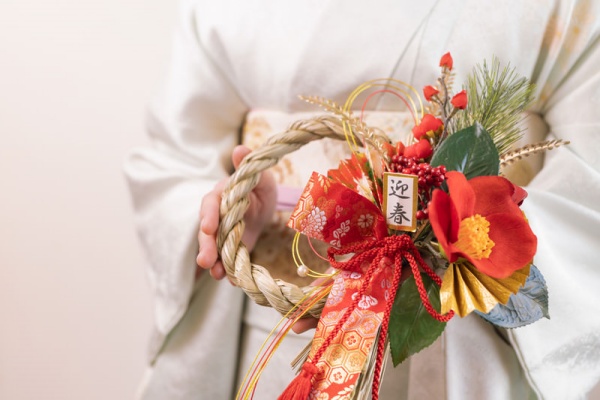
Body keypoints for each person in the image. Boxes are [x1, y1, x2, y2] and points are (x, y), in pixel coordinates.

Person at [125, 0, 600, 398]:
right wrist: (226, 214)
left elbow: (588, 178)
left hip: (468, 337)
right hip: (273, 317)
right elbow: (174, 158)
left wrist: (448, 230)